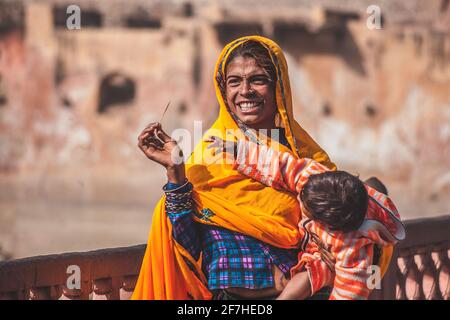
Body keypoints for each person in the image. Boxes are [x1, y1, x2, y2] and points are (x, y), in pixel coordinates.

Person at [131, 36, 391, 300]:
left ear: (277, 87)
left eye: (258, 79)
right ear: (223, 89)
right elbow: (189, 247)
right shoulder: (207, 156)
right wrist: (176, 173)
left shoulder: (303, 159)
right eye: (234, 81)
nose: (245, 91)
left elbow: (344, 233)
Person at [205, 136, 405, 299]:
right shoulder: (312, 178)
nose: (299, 198)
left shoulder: (350, 247)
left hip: (325, 255)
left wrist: (330, 262)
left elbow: (350, 290)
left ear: (326, 222)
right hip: (313, 239)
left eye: (305, 207)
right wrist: (238, 150)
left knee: (309, 276)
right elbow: (280, 165)